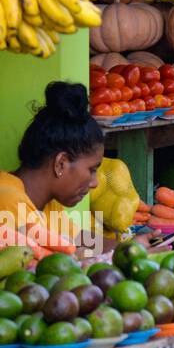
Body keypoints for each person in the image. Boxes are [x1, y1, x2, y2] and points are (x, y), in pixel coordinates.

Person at [0, 82, 104, 256]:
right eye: (92, 169)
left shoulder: (48, 202)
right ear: (60, 163)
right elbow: (57, 262)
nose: (94, 183)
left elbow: (82, 242)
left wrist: (133, 247)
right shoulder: (8, 200)